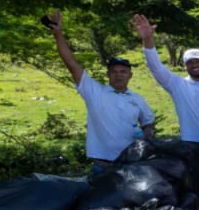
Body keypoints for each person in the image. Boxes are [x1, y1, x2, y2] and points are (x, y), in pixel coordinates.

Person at [131, 14, 199, 195]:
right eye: (189, 62)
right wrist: (147, 39)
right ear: (184, 66)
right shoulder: (177, 85)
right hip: (193, 145)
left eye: (197, 61)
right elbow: (155, 66)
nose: (194, 65)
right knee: (196, 190)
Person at [43, 12, 154, 174]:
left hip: (131, 165)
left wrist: (146, 135)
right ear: (108, 74)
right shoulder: (94, 91)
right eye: (114, 71)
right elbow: (71, 63)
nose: (118, 75)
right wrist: (58, 34)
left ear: (130, 75)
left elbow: (148, 122)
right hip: (103, 166)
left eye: (123, 72)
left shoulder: (137, 99)